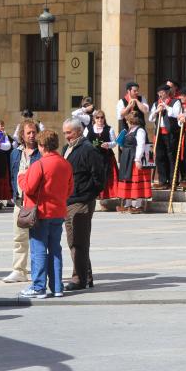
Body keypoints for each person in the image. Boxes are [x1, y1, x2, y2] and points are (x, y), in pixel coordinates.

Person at [17, 130, 73, 299]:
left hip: (41, 212)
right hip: (58, 212)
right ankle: (57, 287)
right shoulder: (65, 164)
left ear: (42, 146)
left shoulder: (39, 165)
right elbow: (69, 190)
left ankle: (38, 286)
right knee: (55, 249)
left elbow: (29, 188)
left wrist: (21, 177)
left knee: (38, 249)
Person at [62, 118, 105, 292]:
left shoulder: (88, 149)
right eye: (65, 133)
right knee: (74, 241)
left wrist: (87, 195)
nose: (66, 136)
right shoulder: (66, 149)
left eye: (69, 132)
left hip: (81, 201)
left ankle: (78, 278)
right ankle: (86, 276)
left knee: (78, 242)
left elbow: (99, 177)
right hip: (68, 201)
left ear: (79, 131)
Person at [3, 119, 41, 283]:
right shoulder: (15, 153)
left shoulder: (42, 152)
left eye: (34, 132)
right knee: (19, 238)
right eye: (28, 133)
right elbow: (13, 176)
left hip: (37, 203)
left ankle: (40, 271)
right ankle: (19, 270)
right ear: (22, 135)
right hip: (20, 202)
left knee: (39, 239)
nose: (32, 135)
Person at [116, 112, 153, 213]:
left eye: (127, 121)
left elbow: (141, 145)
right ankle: (127, 205)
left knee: (136, 182)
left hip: (133, 159)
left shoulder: (140, 130)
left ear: (130, 121)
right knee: (127, 181)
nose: (126, 123)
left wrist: (137, 159)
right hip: (127, 159)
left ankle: (137, 205)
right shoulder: (129, 130)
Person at [83, 110, 118, 205]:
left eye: (102, 117)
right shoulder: (88, 129)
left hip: (106, 157)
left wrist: (108, 144)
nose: (100, 119)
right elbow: (84, 141)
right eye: (97, 117)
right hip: (92, 157)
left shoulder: (109, 129)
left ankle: (104, 198)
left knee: (105, 176)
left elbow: (114, 143)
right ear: (94, 119)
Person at [148, 84, 179, 190]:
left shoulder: (175, 102)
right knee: (160, 157)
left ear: (167, 92)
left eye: (162, 92)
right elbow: (150, 118)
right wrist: (156, 111)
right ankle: (162, 180)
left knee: (171, 156)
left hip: (170, 133)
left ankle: (173, 181)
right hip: (159, 133)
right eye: (159, 93)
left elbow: (175, 114)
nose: (160, 95)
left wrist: (165, 106)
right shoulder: (156, 104)